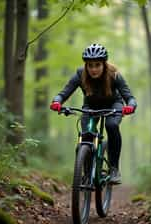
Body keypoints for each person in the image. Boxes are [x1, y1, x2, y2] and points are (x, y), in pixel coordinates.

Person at [50, 43, 137, 184]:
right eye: (90, 65)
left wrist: (130, 106)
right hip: (90, 107)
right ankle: (86, 173)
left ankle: (114, 169)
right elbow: (64, 92)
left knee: (112, 125)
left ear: (104, 64)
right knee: (87, 135)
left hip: (113, 105)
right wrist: (57, 102)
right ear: (86, 65)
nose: (93, 69)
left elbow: (129, 97)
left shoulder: (114, 75)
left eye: (97, 65)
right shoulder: (80, 74)